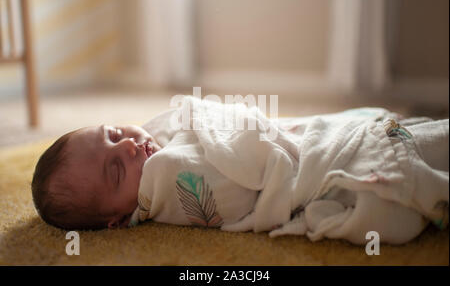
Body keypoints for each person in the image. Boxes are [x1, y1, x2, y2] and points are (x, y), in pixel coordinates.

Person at [31, 96, 449, 245]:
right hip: (328, 163)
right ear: (117, 219)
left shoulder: (157, 133)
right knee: (420, 150)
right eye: (116, 171)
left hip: (315, 135)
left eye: (111, 134)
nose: (125, 145)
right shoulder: (168, 179)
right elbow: (243, 173)